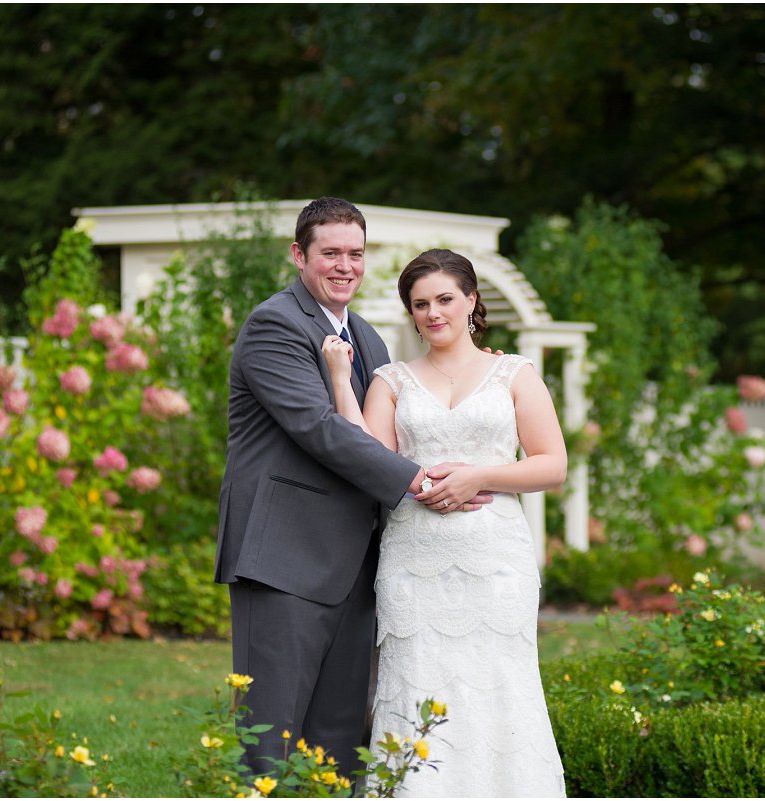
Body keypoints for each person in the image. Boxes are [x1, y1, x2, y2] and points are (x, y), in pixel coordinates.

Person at [215, 198, 489, 778]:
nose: (345, 266)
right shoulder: (275, 325)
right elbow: (320, 430)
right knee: (272, 734)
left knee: (337, 739)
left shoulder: (366, 338)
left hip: (355, 563)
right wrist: (421, 483)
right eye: (330, 253)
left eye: (355, 254)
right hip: (284, 558)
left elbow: (378, 435)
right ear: (299, 255)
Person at [321, 248, 567, 797]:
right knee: (417, 685)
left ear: (471, 300)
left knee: (499, 687)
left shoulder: (514, 373)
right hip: (415, 562)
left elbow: (552, 464)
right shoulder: (391, 379)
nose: (433, 313)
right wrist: (342, 380)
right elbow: (369, 458)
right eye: (420, 304)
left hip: (496, 561)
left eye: (444, 300)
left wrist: (479, 475)